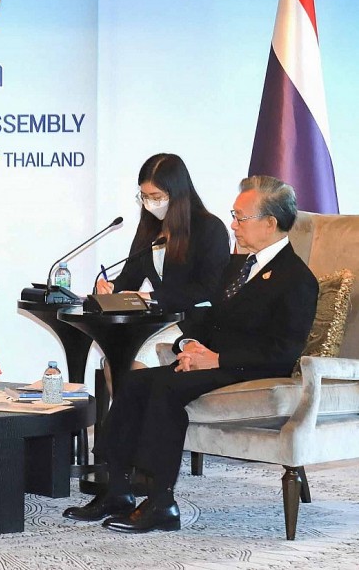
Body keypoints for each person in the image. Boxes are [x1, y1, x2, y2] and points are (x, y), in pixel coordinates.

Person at [64, 175, 319, 533]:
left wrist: (216, 359)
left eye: (240, 217)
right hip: (209, 361)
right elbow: (202, 316)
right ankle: (117, 490)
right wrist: (188, 346)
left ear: (270, 223)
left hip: (250, 368)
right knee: (136, 382)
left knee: (165, 391)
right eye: (233, 214)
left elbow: (284, 350)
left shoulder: (297, 278)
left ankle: (161, 502)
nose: (233, 224)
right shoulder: (236, 266)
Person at [96, 153, 230, 385]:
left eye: (156, 197)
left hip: (194, 323)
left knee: (135, 367)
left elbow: (208, 288)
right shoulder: (148, 228)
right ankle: (125, 421)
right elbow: (129, 278)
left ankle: (135, 421)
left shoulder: (209, 228)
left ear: (177, 194)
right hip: (157, 322)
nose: (149, 204)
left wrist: (151, 297)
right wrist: (110, 288)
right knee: (113, 364)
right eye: (144, 197)